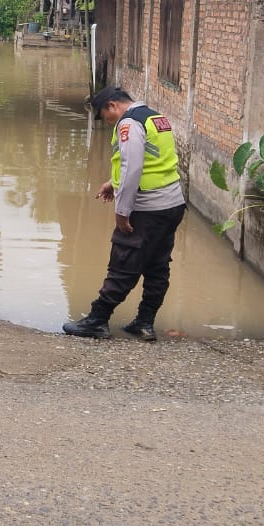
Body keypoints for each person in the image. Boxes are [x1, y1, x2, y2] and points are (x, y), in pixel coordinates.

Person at [63, 85, 186, 342]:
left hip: (147, 208)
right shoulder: (155, 117)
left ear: (112, 106)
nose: (106, 122)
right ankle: (144, 322)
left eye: (103, 115)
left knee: (123, 262)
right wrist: (113, 182)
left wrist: (122, 210)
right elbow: (153, 159)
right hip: (172, 205)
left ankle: (97, 320)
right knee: (157, 266)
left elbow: (132, 166)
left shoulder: (128, 123)